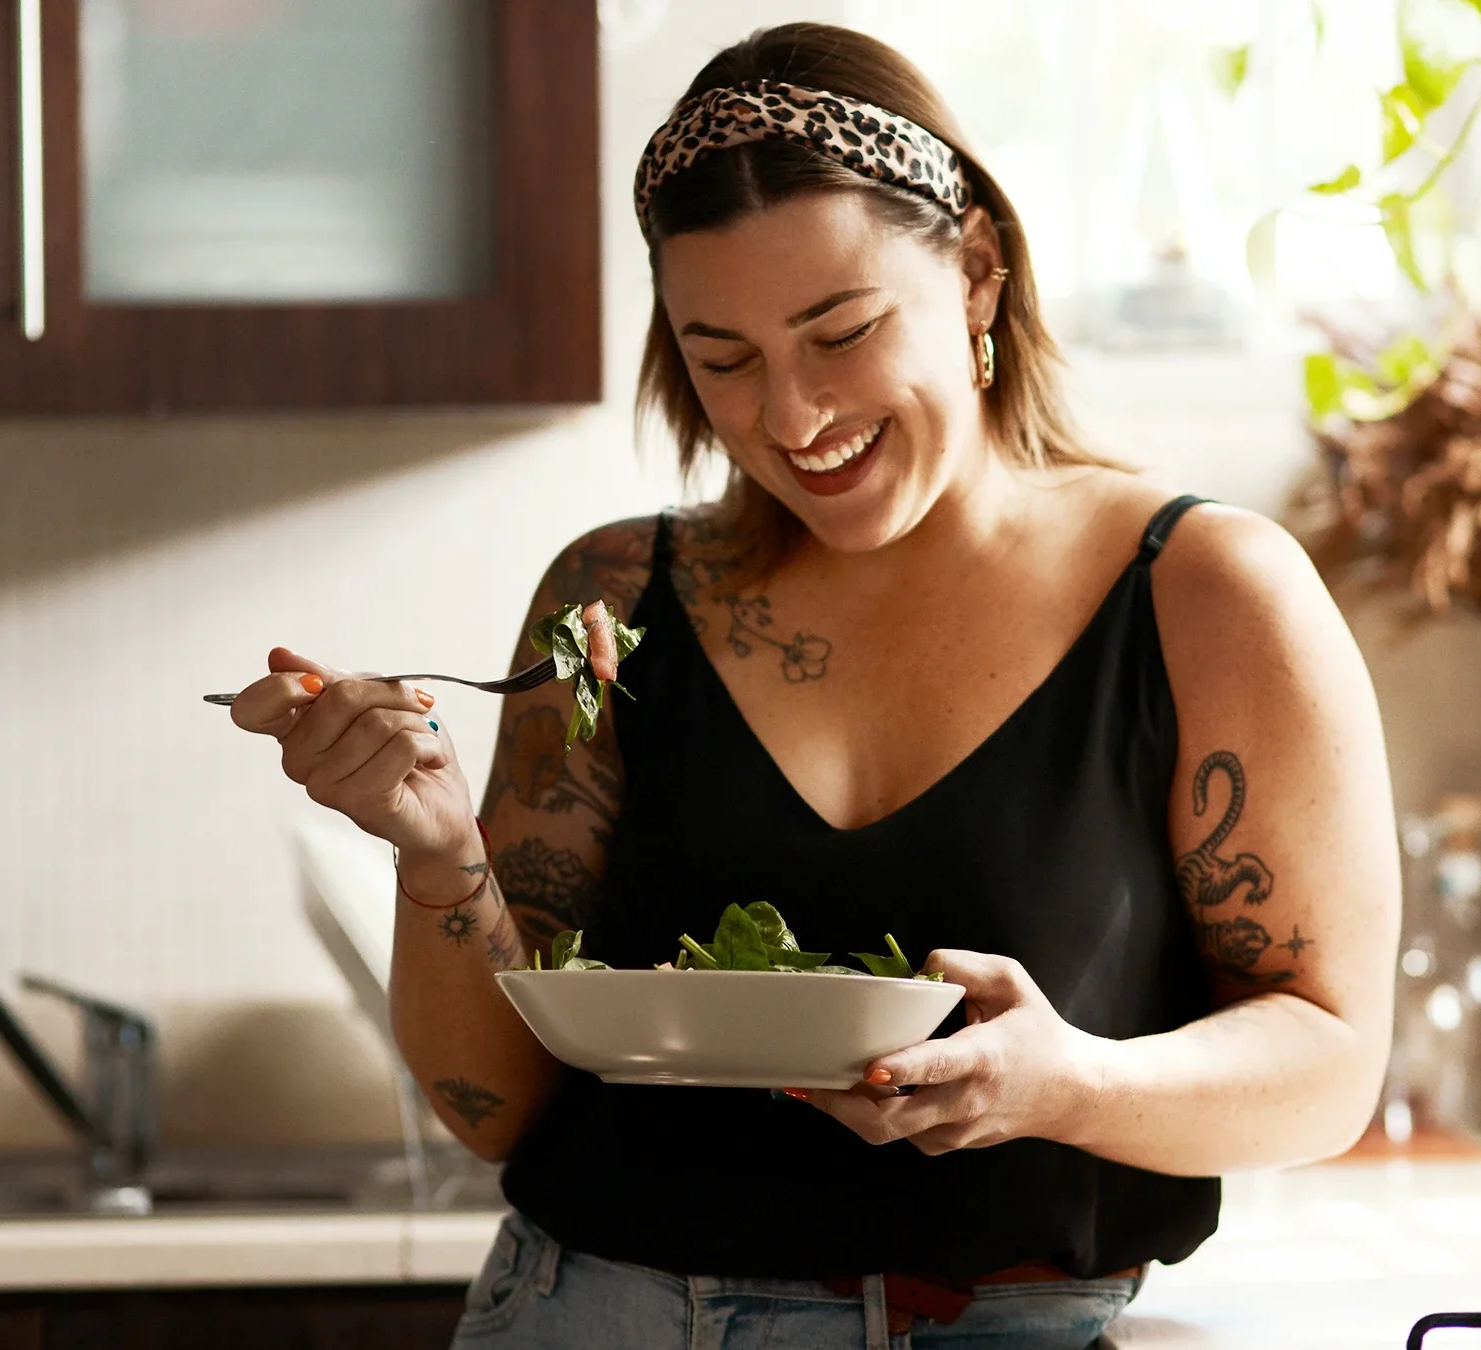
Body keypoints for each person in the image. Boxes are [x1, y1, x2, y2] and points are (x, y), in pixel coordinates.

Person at [227, 23, 1399, 1350]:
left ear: (976, 272)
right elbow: (496, 1108)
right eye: (721, 357)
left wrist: (1064, 1082)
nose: (789, 417)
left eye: (838, 331)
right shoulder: (612, 602)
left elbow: (1329, 1064)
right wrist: (436, 854)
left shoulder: (1205, 595)